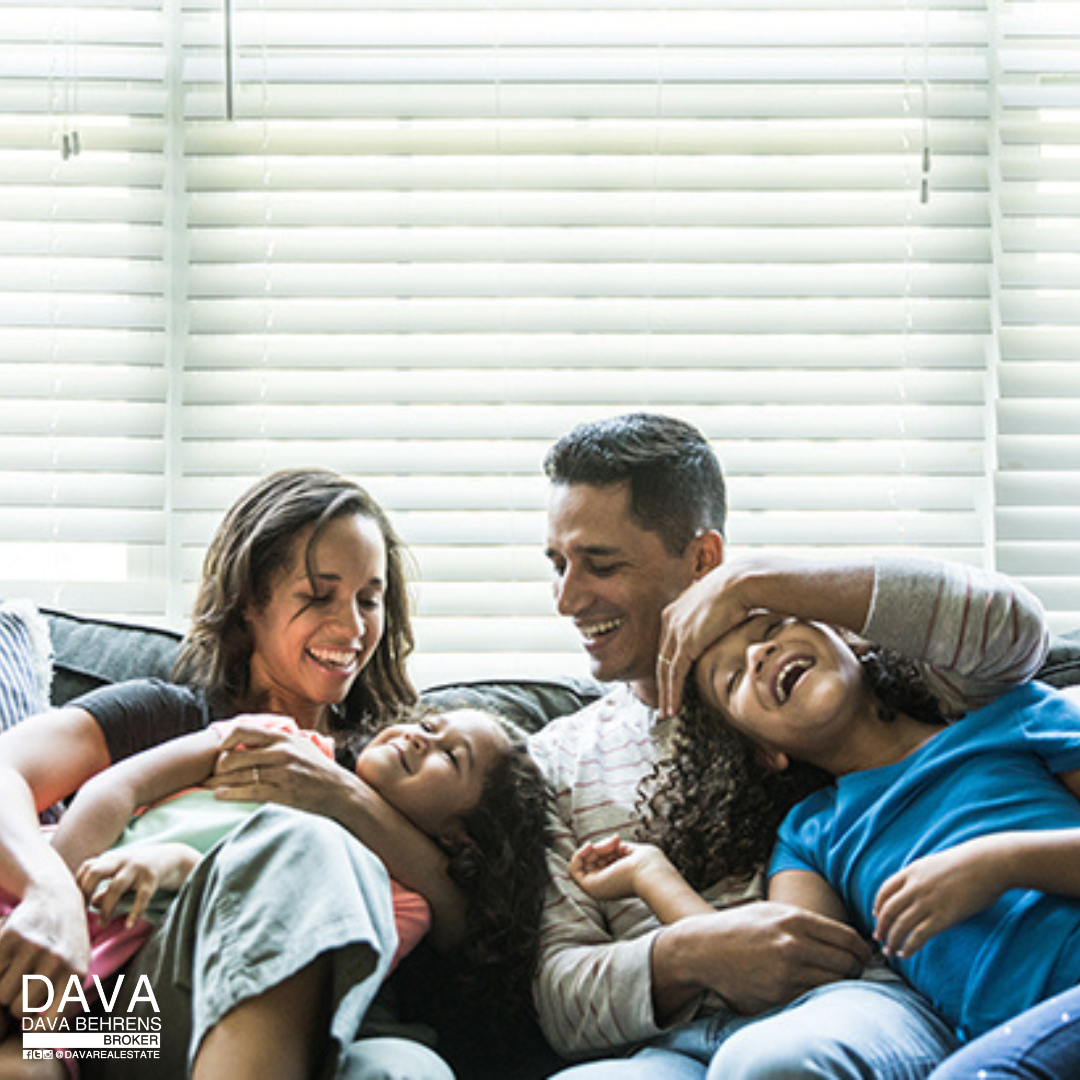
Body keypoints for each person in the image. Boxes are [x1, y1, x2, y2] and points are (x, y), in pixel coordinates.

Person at [529, 412, 1048, 1078]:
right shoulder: (553, 760)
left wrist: (756, 585)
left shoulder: (833, 681)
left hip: (851, 1008)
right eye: (557, 565)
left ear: (703, 559)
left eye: (599, 564)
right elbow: (557, 994)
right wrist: (691, 954)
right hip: (671, 1049)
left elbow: (1013, 631)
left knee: (775, 1062)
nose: (568, 598)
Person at [0, 467, 467, 1079]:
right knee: (302, 844)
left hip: (338, 1023)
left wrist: (343, 799)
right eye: (318, 595)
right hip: (120, 1025)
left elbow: (462, 932)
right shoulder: (171, 717)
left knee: (408, 1072)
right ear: (251, 602)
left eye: (368, 600)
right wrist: (50, 890)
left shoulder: (395, 766)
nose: (353, 627)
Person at [574, 553, 1078, 1077]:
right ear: (765, 753)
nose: (760, 653)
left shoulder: (1013, 715)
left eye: (773, 627)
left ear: (850, 639)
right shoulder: (809, 835)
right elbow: (778, 962)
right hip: (1008, 1043)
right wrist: (650, 875)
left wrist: (1002, 862)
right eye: (733, 680)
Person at [0, 704, 550, 1078]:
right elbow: (119, 786)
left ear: (462, 839)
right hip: (46, 926)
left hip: (112, 1012)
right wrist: (54, 903)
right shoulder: (280, 738)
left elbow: (270, 961)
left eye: (450, 757)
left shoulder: (398, 901)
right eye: (429, 724)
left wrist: (183, 865)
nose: (420, 737)